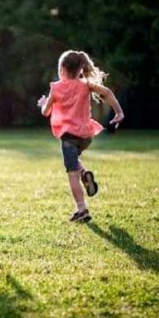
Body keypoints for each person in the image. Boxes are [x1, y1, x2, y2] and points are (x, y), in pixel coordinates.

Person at [38, 50, 124, 222]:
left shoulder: (56, 88)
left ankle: (81, 209)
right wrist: (119, 112)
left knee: (71, 173)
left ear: (62, 69)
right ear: (79, 70)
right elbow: (107, 92)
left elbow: (46, 112)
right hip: (86, 135)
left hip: (69, 137)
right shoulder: (86, 84)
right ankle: (85, 175)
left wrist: (42, 103)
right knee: (75, 160)